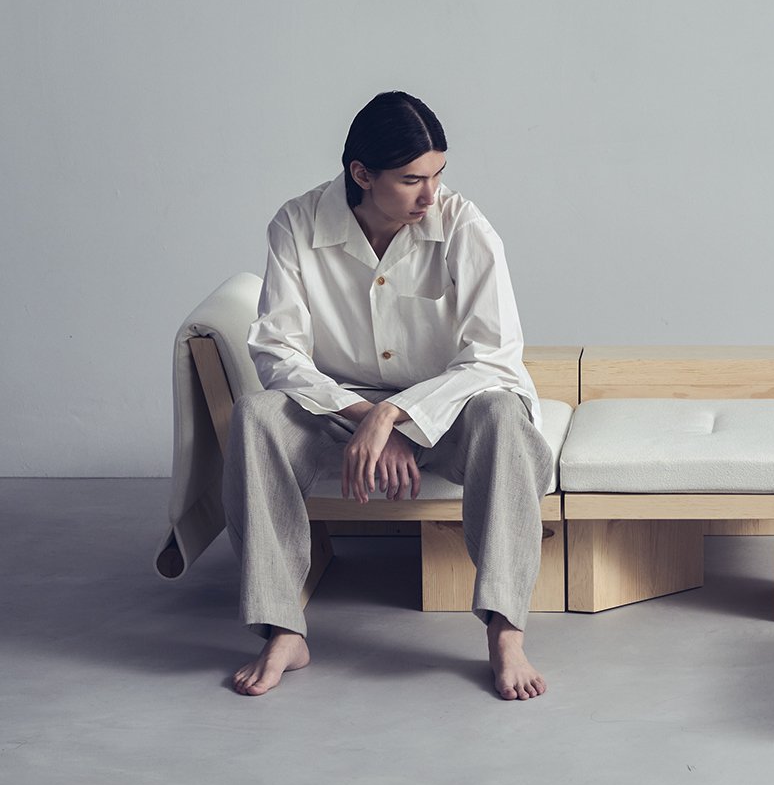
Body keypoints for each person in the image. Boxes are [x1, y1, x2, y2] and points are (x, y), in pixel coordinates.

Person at [223, 91, 552, 700]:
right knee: (256, 416)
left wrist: (398, 416)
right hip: (339, 407)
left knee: (505, 415)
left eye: (437, 175)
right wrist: (367, 415)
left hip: (451, 407)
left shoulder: (464, 225)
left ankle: (506, 633)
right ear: (362, 174)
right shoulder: (296, 223)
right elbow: (276, 351)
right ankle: (283, 629)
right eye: (411, 180)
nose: (430, 196)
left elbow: (494, 356)